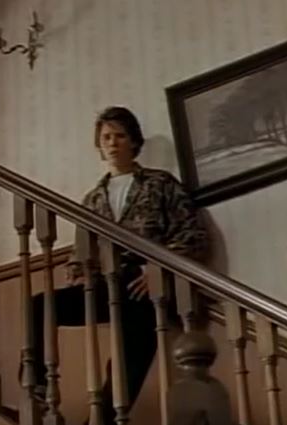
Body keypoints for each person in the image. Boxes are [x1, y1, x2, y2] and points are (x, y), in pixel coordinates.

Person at [28, 106, 206, 423]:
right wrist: (79, 275)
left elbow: (192, 233)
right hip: (106, 283)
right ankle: (36, 385)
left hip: (145, 286)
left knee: (125, 365)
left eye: (120, 136)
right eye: (106, 137)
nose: (112, 143)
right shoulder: (92, 199)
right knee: (40, 306)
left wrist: (159, 270)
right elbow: (81, 252)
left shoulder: (160, 183)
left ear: (133, 141)